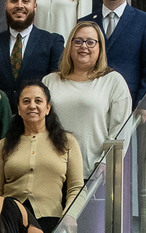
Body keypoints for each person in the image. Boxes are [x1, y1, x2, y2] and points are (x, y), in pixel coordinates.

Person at [0, 81, 83, 233]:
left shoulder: (67, 142)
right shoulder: (4, 144)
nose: (32, 106)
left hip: (51, 220)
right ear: (19, 109)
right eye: (26, 101)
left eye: (38, 101)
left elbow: (76, 187)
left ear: (48, 108)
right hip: (9, 220)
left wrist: (70, 214)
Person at [43, 20, 131, 170]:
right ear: (69, 46)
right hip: (52, 170)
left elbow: (121, 130)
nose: (83, 46)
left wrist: (105, 163)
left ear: (100, 48)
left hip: (93, 172)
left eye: (90, 42)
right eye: (78, 41)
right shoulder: (49, 81)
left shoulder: (113, 81)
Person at [0, 0, 65, 104]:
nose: (19, 5)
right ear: (5, 5)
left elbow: (57, 87)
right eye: (14, 1)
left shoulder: (52, 43)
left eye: (26, 1)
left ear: (35, 6)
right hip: (0, 113)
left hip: (36, 113)